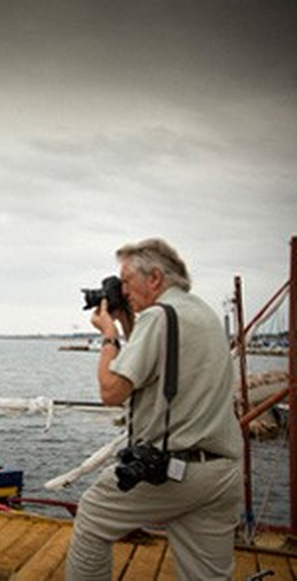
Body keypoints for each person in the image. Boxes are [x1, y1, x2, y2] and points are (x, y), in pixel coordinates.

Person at [66, 238, 242, 580]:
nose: (123, 290)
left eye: (127, 281)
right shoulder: (198, 312)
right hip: (221, 473)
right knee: (207, 575)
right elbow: (155, 359)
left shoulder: (159, 317)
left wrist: (108, 335)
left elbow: (112, 391)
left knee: (91, 518)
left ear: (156, 278)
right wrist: (127, 320)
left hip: (176, 471)